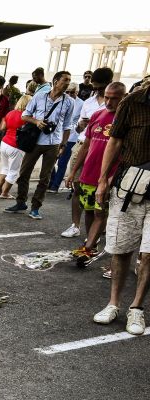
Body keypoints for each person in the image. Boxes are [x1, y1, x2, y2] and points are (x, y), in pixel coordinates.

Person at [92, 78, 150, 335]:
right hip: (129, 188)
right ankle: (113, 303)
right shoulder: (133, 102)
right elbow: (114, 141)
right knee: (121, 248)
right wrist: (103, 180)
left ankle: (136, 308)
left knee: (149, 253)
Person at [65, 82, 126, 266]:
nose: (108, 101)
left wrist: (109, 178)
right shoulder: (97, 115)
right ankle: (92, 243)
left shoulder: (125, 120)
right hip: (88, 173)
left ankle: (89, 247)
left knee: (101, 213)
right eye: (106, 97)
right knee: (89, 210)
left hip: (109, 176)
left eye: (114, 98)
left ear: (123, 97)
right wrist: (74, 171)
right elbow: (86, 145)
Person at [5, 71, 74, 219]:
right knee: (24, 173)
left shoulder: (69, 102)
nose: (67, 83)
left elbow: (67, 126)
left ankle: (35, 207)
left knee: (45, 177)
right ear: (56, 81)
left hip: (54, 142)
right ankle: (21, 201)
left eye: (69, 80)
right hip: (35, 140)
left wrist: (63, 145)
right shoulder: (39, 96)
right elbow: (25, 115)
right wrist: (37, 122)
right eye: (65, 80)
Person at [62, 67, 114, 238]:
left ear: (109, 83)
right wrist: (81, 125)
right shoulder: (88, 103)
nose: (97, 90)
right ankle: (75, 225)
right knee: (77, 187)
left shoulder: (117, 104)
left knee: (101, 191)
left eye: (101, 87)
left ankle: (96, 230)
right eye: (95, 87)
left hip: (104, 150)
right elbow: (77, 127)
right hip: (83, 145)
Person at [47, 82, 84, 193]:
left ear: (77, 92)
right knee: (51, 161)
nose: (69, 94)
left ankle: (55, 185)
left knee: (62, 162)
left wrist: (72, 128)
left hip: (71, 137)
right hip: (57, 135)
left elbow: (79, 121)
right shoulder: (62, 100)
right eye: (67, 91)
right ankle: (52, 181)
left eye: (72, 92)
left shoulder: (81, 103)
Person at [0, 94, 31, 199]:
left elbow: (3, 127)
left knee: (5, 168)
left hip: (4, 142)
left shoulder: (10, 113)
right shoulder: (27, 117)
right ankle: (5, 193)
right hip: (16, 145)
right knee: (13, 171)